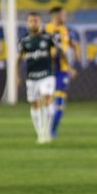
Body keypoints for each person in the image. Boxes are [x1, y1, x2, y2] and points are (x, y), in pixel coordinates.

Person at [17, 12, 60, 144]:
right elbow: (18, 59)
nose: (33, 23)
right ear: (27, 23)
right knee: (35, 104)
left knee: (47, 98)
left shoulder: (49, 38)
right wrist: (16, 76)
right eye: (30, 21)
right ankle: (40, 133)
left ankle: (46, 132)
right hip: (32, 77)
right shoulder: (24, 41)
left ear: (40, 22)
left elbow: (57, 52)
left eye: (35, 21)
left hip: (47, 74)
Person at [45, 6, 81, 139]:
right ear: (56, 16)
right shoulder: (45, 30)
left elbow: (74, 45)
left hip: (62, 71)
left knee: (59, 103)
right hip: (47, 71)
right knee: (48, 102)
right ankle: (46, 129)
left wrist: (76, 59)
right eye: (63, 14)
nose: (65, 17)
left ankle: (52, 131)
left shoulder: (67, 30)